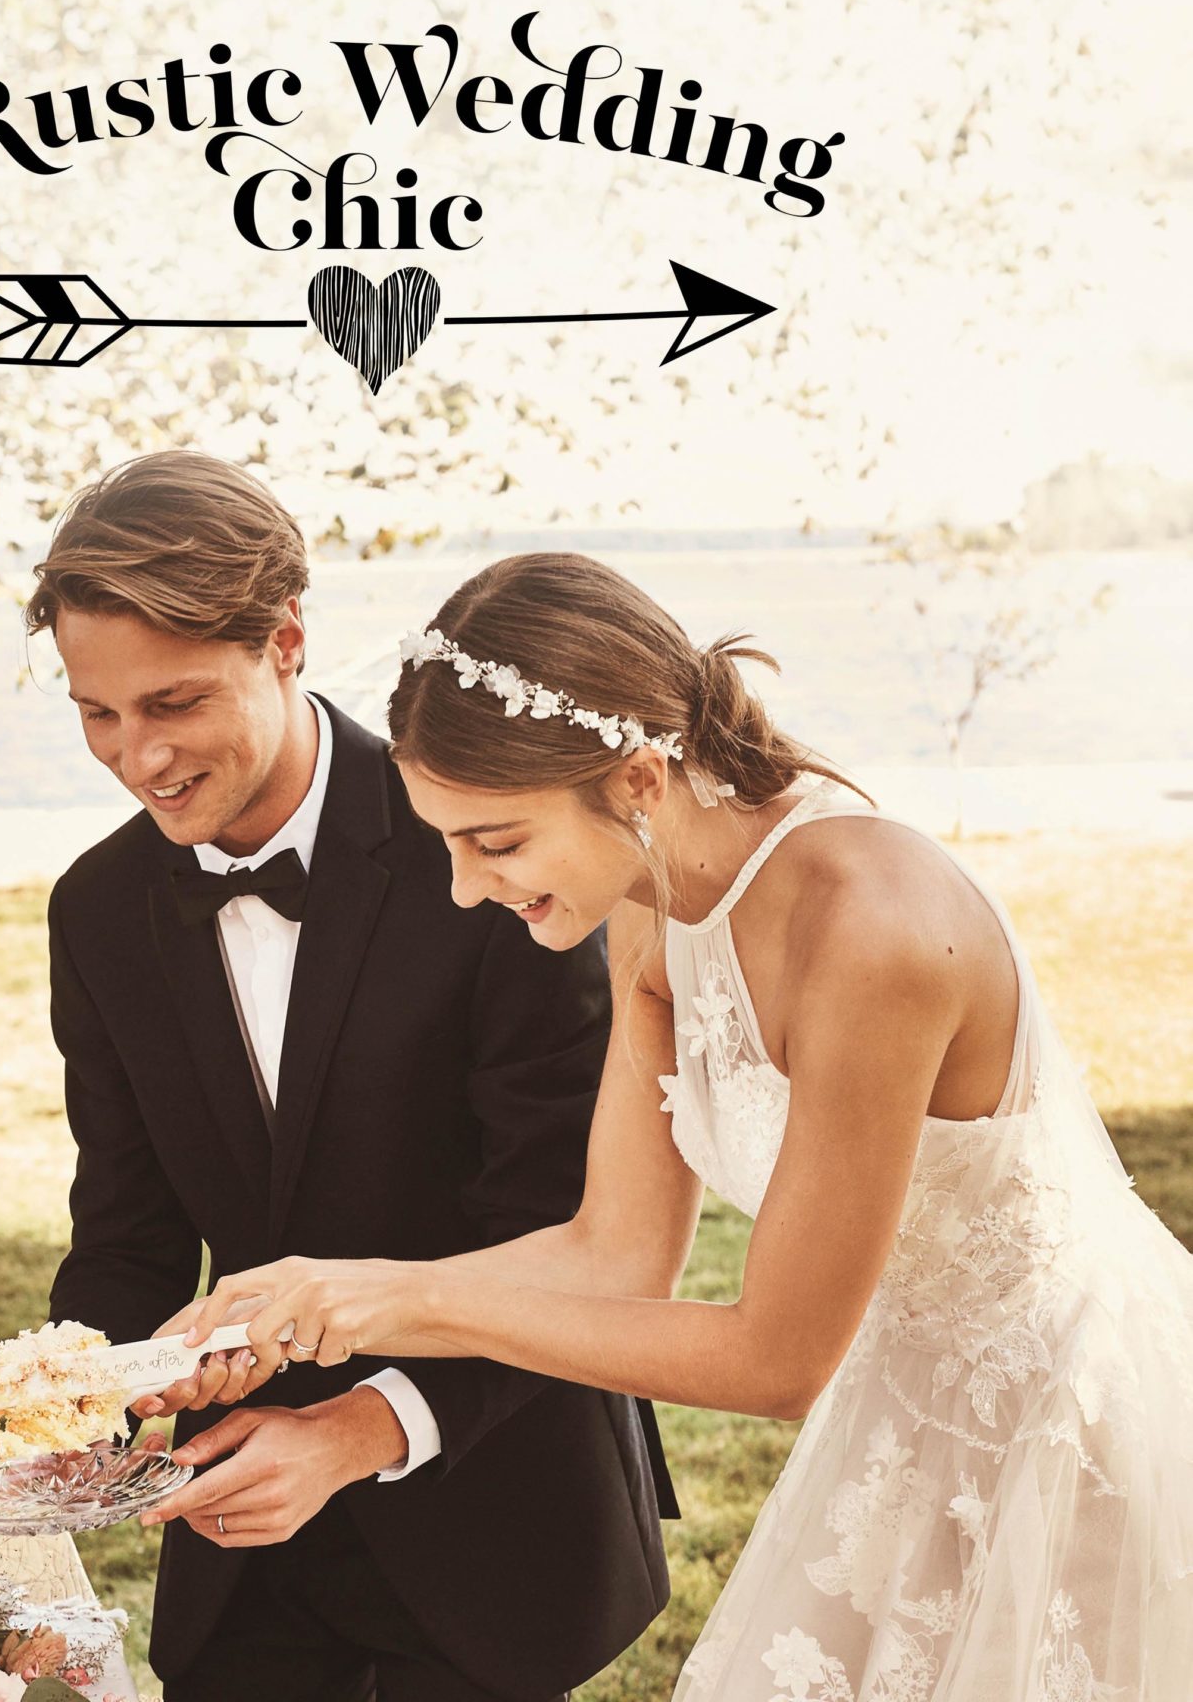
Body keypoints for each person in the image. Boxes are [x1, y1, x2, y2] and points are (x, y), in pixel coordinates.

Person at [168, 549, 1193, 1702]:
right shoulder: (650, 910)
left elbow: (779, 1358)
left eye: (495, 841)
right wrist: (327, 1287)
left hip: (1078, 1408)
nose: (462, 890)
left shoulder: (873, 927)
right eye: (445, 842)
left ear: (641, 780)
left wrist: (401, 1303)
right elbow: (616, 1252)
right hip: (911, 1405)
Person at [28, 462, 677, 1702]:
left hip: (494, 1507)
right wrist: (79, 1402)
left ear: (286, 641)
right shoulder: (98, 910)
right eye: (96, 713)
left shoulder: (497, 840)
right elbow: (127, 1228)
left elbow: (564, 1229)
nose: (138, 756)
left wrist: (356, 1429)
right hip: (238, 1542)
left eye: (173, 701)